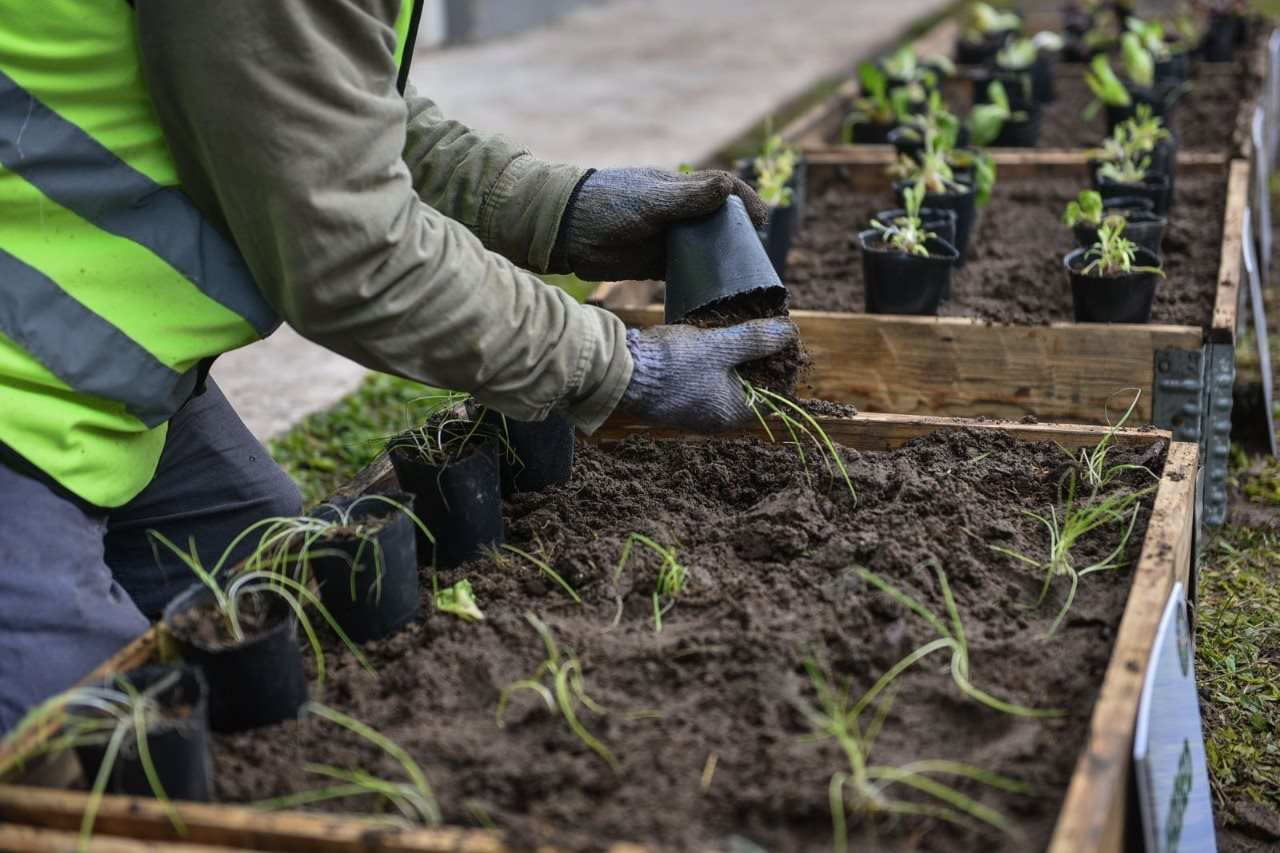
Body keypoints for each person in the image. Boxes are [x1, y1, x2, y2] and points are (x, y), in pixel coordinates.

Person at [0, 0, 797, 731]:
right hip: (22, 384)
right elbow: (353, 255)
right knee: (79, 749)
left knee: (301, 595)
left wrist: (554, 208)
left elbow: (316, 108)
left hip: (104, 364)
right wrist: (623, 366)